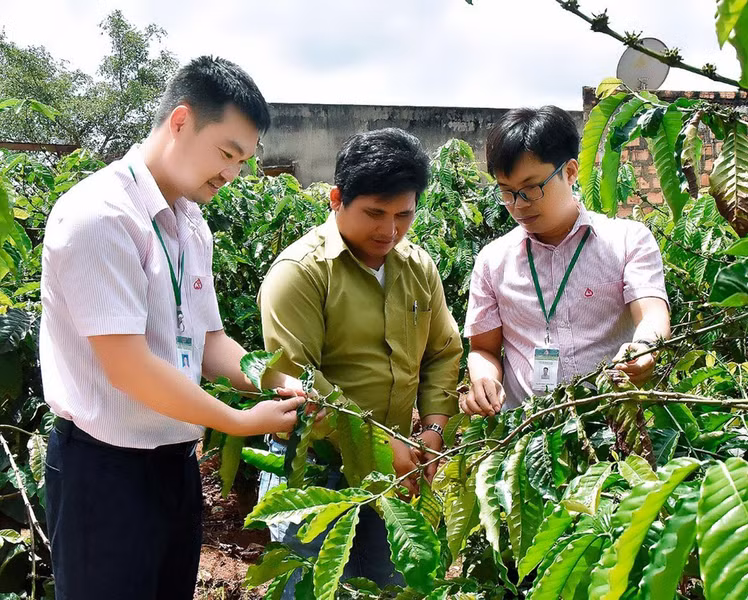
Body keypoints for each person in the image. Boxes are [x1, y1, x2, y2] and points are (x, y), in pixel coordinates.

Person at [40, 56, 306, 600]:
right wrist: (236, 421)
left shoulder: (191, 224)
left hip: (173, 465)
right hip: (104, 471)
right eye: (226, 153)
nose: (231, 173)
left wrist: (271, 380)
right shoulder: (101, 215)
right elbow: (129, 368)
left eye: (242, 162)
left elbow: (209, 341)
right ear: (180, 121)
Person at [257, 127, 463, 589]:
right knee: (311, 588)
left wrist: (431, 429)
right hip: (316, 471)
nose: (389, 230)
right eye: (374, 213)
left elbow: (443, 352)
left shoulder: (418, 267)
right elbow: (298, 382)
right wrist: (384, 447)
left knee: (386, 586)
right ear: (336, 199)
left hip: (393, 472)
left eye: (403, 215)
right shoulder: (300, 274)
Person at [461, 105, 671, 416]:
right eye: (507, 192)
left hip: (614, 424)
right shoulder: (493, 261)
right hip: (529, 435)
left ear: (570, 172)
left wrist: (643, 349)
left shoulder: (627, 241)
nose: (518, 206)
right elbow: (484, 349)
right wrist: (484, 381)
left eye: (531, 189)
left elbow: (652, 314)